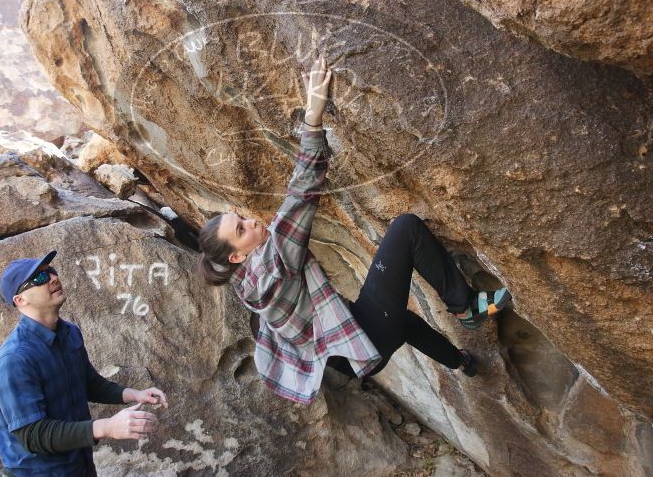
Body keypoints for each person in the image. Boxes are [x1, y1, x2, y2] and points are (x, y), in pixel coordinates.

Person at [197, 55, 512, 404]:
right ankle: (465, 306)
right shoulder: (271, 262)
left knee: (403, 323)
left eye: (241, 217)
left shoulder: (244, 283)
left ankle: (461, 362)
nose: (252, 222)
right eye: (241, 229)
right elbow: (301, 195)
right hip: (365, 336)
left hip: (350, 356)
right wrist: (313, 118)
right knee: (406, 228)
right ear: (238, 254)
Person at [0, 250, 168, 476]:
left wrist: (134, 394)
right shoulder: (13, 360)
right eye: (40, 278)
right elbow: (33, 434)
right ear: (20, 300)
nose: (53, 278)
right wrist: (108, 427)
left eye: (51, 272)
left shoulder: (69, 333)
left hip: (79, 466)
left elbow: (89, 383)